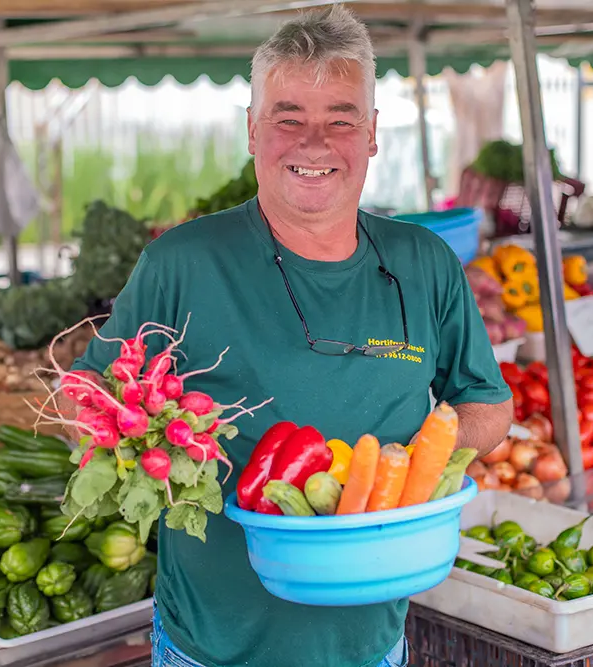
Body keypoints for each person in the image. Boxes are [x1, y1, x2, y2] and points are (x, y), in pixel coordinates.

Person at [71, 5, 513, 666]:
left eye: (341, 118)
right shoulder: (182, 262)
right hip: (210, 645)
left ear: (371, 135)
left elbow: (487, 404)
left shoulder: (424, 262)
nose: (315, 143)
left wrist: (402, 473)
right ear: (252, 130)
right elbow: (91, 403)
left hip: (371, 643)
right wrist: (147, 443)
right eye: (288, 118)